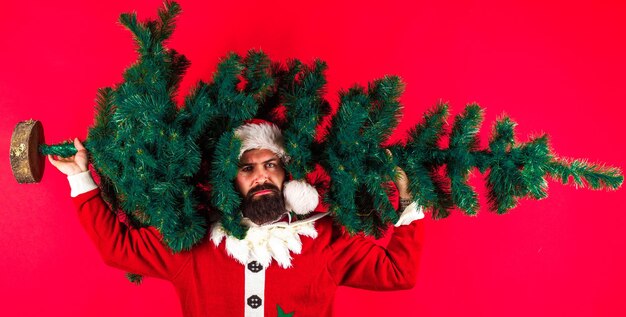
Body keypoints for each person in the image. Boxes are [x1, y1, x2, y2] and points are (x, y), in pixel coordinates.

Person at [48, 121, 425, 317]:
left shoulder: (325, 237)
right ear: (232, 179)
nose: (261, 176)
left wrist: (409, 198)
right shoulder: (194, 241)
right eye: (247, 168)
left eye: (271, 164)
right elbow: (119, 248)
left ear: (286, 174)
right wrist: (79, 177)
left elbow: (398, 272)